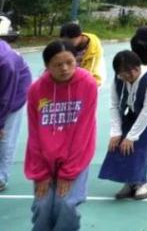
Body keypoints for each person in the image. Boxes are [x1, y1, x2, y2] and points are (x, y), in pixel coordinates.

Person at [24, 40, 98, 231]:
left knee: (66, 204)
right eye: (57, 64)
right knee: (42, 206)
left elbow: (84, 132)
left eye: (70, 62)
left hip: (76, 158)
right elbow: (34, 134)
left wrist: (69, 172)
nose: (64, 68)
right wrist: (41, 173)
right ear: (47, 66)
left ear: (76, 61)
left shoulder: (87, 84)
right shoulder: (36, 90)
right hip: (44, 159)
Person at [99, 50, 147, 201]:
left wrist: (131, 136)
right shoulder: (117, 80)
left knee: (138, 144)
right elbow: (114, 105)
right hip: (134, 111)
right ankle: (130, 181)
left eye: (133, 70)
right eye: (124, 72)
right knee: (118, 144)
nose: (130, 75)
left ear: (139, 66)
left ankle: (142, 182)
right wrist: (116, 132)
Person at [0, 38, 31, 193]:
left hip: (14, 93)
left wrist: (0, 124)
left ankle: (2, 177)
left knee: (5, 138)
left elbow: (6, 97)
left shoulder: (6, 62)